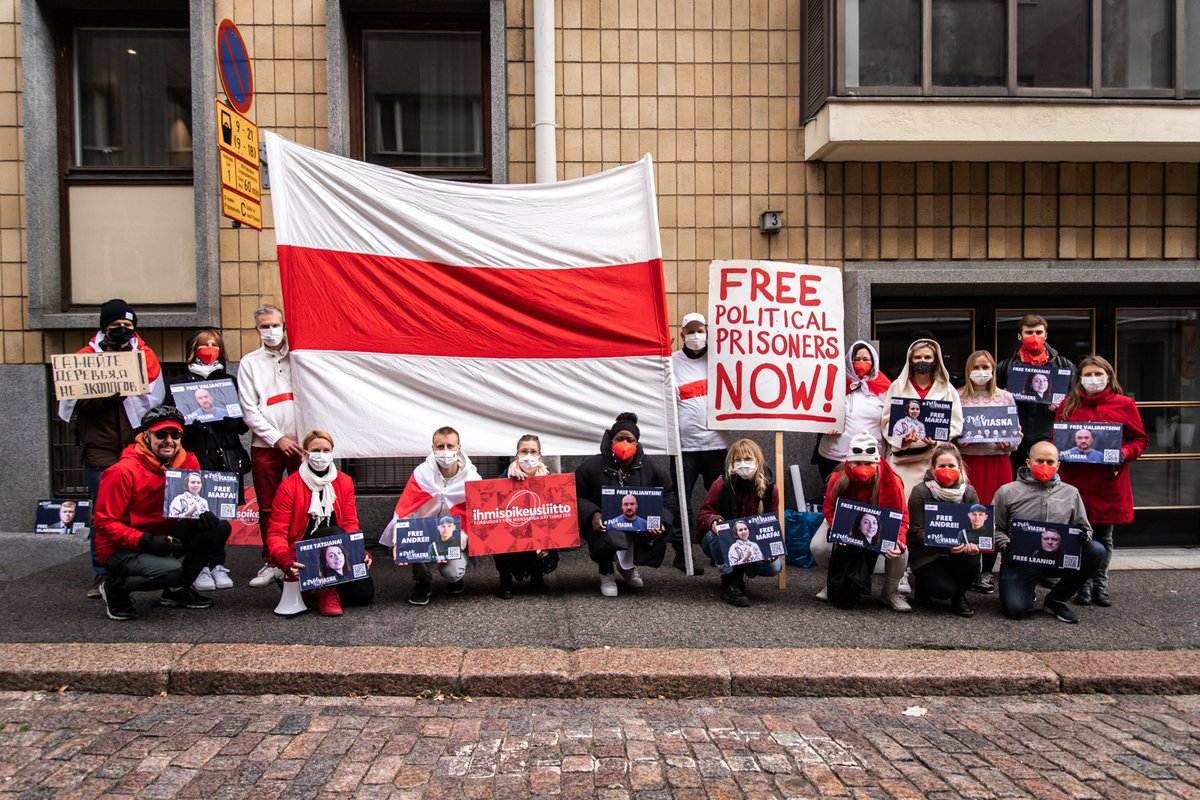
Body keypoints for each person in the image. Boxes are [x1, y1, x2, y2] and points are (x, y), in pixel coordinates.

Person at [58, 299, 166, 599]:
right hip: (100, 448)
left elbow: (154, 400)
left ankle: (130, 566)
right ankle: (101, 572)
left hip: (134, 448)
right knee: (103, 515)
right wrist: (105, 399)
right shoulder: (85, 359)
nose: (121, 331)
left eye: (127, 327)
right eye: (115, 326)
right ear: (104, 328)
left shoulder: (145, 357)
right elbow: (73, 403)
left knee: (136, 512)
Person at [92, 406, 231, 621]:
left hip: (164, 534)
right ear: (146, 435)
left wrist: (199, 518)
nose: (169, 440)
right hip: (120, 546)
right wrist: (145, 541)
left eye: (175, 435)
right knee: (169, 570)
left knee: (218, 527)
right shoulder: (122, 471)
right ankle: (114, 588)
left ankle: (176, 591)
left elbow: (186, 506)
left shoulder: (188, 462)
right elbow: (105, 523)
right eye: (161, 434)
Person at [1055, 355, 1147, 608]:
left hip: (1108, 481)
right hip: (1076, 482)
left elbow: (1139, 439)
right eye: (1088, 375)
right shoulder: (1068, 405)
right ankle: (1081, 584)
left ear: (1108, 376)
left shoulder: (1124, 404)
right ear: (1080, 378)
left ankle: (1100, 584)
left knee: (1104, 535)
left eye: (1098, 374)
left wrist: (1124, 453)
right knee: (1080, 534)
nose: (1093, 379)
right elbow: (1057, 440)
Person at [992, 441, 1105, 624]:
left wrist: (1084, 535)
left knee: (1096, 550)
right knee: (1016, 610)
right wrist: (1007, 544)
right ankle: (1027, 591)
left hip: (1058, 559)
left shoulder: (1071, 493)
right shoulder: (1008, 492)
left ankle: (1056, 600)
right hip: (1020, 561)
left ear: (1058, 465)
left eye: (1050, 462)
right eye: (1040, 461)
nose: (1045, 466)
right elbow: (995, 527)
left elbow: (1085, 527)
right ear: (1028, 462)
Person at [266, 429, 374, 617]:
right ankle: (325, 590)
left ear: (332, 452)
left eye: (326, 450)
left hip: (338, 553)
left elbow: (350, 523)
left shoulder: (344, 481)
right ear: (306, 453)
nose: (321, 455)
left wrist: (359, 551)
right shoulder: (290, 485)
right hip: (303, 554)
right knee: (331, 532)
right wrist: (285, 560)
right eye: (316, 450)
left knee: (363, 596)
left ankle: (315, 588)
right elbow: (277, 532)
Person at [171, 328, 248, 592]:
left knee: (221, 516)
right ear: (193, 349)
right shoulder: (180, 383)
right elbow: (170, 420)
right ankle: (199, 565)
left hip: (225, 458)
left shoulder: (229, 381)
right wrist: (188, 424)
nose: (210, 348)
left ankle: (217, 564)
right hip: (195, 458)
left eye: (215, 344)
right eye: (204, 344)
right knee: (197, 514)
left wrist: (232, 421)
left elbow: (242, 425)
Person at [238, 304, 304, 589]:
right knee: (268, 507)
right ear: (257, 330)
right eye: (264, 326)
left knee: (307, 501)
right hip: (266, 445)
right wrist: (277, 438)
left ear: (284, 325)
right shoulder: (249, 363)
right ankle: (272, 560)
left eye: (275, 324)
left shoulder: (300, 356)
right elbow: (249, 409)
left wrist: (305, 439)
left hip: (303, 444)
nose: (271, 330)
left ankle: (303, 554)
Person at [575, 412, 676, 597]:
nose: (624, 444)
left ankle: (627, 567)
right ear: (611, 441)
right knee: (604, 531)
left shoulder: (651, 467)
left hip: (638, 522)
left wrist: (661, 520)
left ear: (636, 443)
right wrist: (593, 514)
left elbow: (668, 495)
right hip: (604, 524)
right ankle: (606, 572)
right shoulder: (592, 466)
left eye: (629, 440)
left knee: (639, 527)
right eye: (619, 439)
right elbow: (576, 494)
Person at [380, 426, 481, 606]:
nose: (445, 451)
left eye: (450, 446)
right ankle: (422, 581)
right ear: (432, 448)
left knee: (453, 572)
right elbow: (406, 510)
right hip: (424, 532)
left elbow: (476, 519)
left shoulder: (472, 478)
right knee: (415, 535)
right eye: (440, 446)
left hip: (455, 534)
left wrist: (456, 542)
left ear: (459, 448)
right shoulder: (421, 474)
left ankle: (455, 577)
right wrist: (399, 541)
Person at [811, 432, 910, 611]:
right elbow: (829, 509)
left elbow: (902, 517)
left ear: (877, 461)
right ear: (849, 462)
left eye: (868, 463)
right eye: (858, 463)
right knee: (818, 546)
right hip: (845, 524)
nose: (863, 467)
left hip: (877, 526)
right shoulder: (838, 477)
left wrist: (900, 541)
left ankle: (890, 592)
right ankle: (833, 580)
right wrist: (840, 530)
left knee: (901, 551)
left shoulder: (893, 481)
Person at [957, 349, 1020, 595]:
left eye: (986, 367)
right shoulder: (959, 396)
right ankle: (968, 568)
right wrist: (957, 441)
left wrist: (1010, 443)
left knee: (994, 517)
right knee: (969, 515)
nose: (981, 372)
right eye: (977, 367)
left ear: (993, 370)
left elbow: (1017, 433)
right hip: (969, 463)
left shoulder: (1005, 398)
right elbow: (949, 430)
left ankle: (986, 573)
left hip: (997, 463)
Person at [668, 312, 726, 572]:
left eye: (700, 330)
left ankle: (720, 549)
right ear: (682, 335)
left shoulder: (720, 360)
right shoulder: (671, 363)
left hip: (717, 445)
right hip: (684, 448)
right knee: (682, 500)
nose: (696, 336)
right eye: (690, 331)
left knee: (722, 501)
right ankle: (683, 554)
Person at [697, 438, 781, 607]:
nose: (743, 464)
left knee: (774, 567)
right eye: (738, 460)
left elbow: (771, 523)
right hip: (721, 540)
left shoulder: (770, 488)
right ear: (731, 463)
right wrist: (714, 521)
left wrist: (769, 550)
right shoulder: (723, 483)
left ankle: (740, 570)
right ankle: (729, 578)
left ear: (758, 461)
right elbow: (704, 513)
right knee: (716, 538)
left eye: (748, 459)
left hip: (750, 542)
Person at [906, 444, 982, 617]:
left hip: (959, 553)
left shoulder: (969, 493)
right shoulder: (921, 491)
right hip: (927, 554)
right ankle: (925, 585)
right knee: (943, 590)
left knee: (973, 562)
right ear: (933, 468)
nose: (947, 470)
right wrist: (947, 544)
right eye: (942, 466)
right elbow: (916, 532)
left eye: (951, 466)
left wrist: (974, 544)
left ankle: (959, 596)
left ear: (959, 467)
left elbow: (976, 529)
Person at [881, 339, 963, 497]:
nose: (922, 361)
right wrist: (902, 440)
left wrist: (937, 440)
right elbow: (886, 422)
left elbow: (956, 423)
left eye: (927, 357)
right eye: (917, 357)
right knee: (903, 502)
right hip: (903, 462)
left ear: (935, 360)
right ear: (910, 360)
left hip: (935, 460)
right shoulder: (897, 387)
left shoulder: (947, 389)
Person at [997, 314, 1076, 473]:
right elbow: (993, 399)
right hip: (1016, 443)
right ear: (1020, 336)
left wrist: (1063, 406)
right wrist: (1003, 398)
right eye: (1029, 332)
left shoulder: (1063, 365)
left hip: (1049, 440)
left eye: (1039, 332)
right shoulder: (1005, 367)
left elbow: (1077, 399)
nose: (1034, 337)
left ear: (1046, 335)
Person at [814, 340, 892, 483]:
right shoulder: (834, 384)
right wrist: (822, 426)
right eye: (856, 359)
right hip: (835, 458)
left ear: (873, 361)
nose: (861, 363)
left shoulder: (886, 388)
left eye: (865, 359)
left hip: (870, 459)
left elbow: (891, 421)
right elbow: (817, 409)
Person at [494, 435, 560, 599]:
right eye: (524, 451)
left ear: (539, 455)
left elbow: (558, 514)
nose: (529, 456)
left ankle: (537, 575)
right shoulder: (502, 480)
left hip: (538, 536)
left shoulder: (551, 481)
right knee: (499, 539)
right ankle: (505, 580)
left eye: (533, 451)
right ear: (517, 455)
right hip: (511, 535)